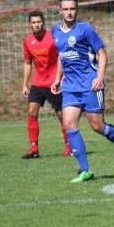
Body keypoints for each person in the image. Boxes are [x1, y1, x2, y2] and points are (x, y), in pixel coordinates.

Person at [50, 0, 114, 183]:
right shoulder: (55, 31)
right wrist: (58, 78)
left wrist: (100, 76)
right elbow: (61, 55)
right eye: (65, 9)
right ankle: (85, 170)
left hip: (90, 84)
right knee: (69, 124)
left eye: (72, 8)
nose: (69, 12)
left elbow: (102, 53)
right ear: (60, 10)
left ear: (77, 9)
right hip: (70, 86)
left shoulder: (86, 29)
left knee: (97, 126)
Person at [22, 10, 72, 159]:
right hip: (38, 82)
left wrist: (60, 78)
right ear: (30, 24)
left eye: (39, 22)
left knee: (61, 114)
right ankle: (34, 148)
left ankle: (69, 146)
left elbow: (62, 57)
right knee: (32, 111)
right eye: (34, 22)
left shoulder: (53, 36)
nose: (37, 25)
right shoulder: (27, 40)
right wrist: (25, 84)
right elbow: (27, 63)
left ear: (43, 22)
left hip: (53, 82)